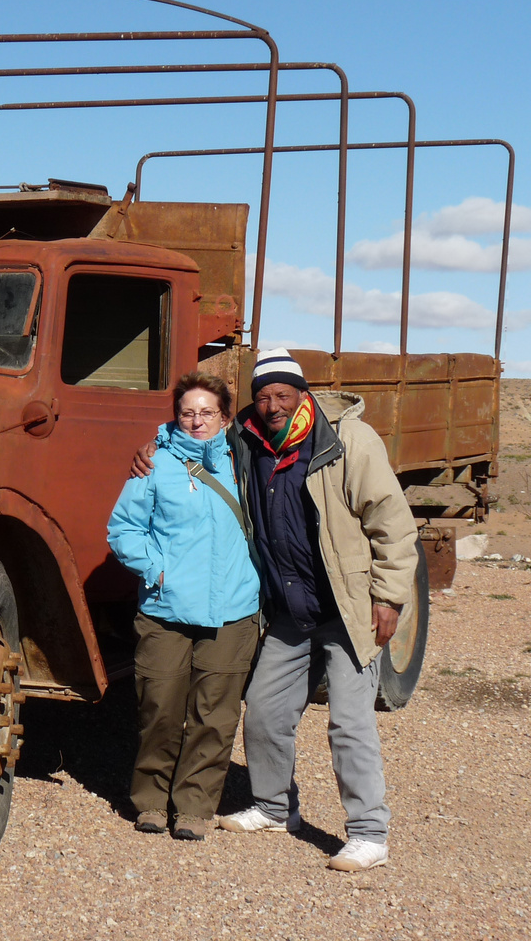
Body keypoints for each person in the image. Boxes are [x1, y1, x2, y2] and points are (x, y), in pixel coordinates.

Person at [131, 349, 417, 870]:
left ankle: (369, 833)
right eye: (263, 396)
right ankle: (272, 805)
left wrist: (390, 597)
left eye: (283, 394)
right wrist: (151, 445)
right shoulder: (248, 439)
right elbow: (195, 427)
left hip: (346, 609)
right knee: (264, 708)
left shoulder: (346, 441)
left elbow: (391, 523)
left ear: (302, 394)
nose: (273, 404)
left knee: (350, 722)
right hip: (289, 611)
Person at [107, 371, 263, 842]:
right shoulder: (154, 464)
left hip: (233, 610)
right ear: (176, 416)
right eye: (187, 413)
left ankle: (195, 806)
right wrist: (157, 571)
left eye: (207, 413)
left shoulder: (245, 462)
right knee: (160, 708)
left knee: (214, 715)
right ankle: (152, 801)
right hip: (165, 609)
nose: (196, 421)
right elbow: (124, 528)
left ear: (225, 416)